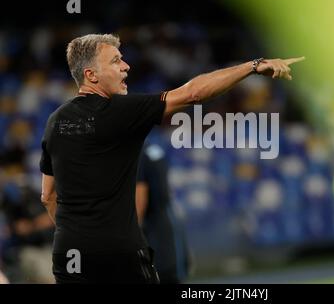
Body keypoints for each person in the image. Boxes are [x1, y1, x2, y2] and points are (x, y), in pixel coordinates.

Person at [40, 33, 303, 283]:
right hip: (119, 254)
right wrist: (253, 66)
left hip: (69, 253)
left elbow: (48, 196)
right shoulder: (119, 111)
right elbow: (194, 93)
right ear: (91, 75)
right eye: (116, 60)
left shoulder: (54, 122)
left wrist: (75, 235)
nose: (126, 66)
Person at [136, 142, 191, 283]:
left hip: (155, 226)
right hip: (168, 218)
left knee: (160, 275)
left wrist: (134, 232)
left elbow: (140, 194)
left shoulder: (138, 151)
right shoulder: (152, 148)